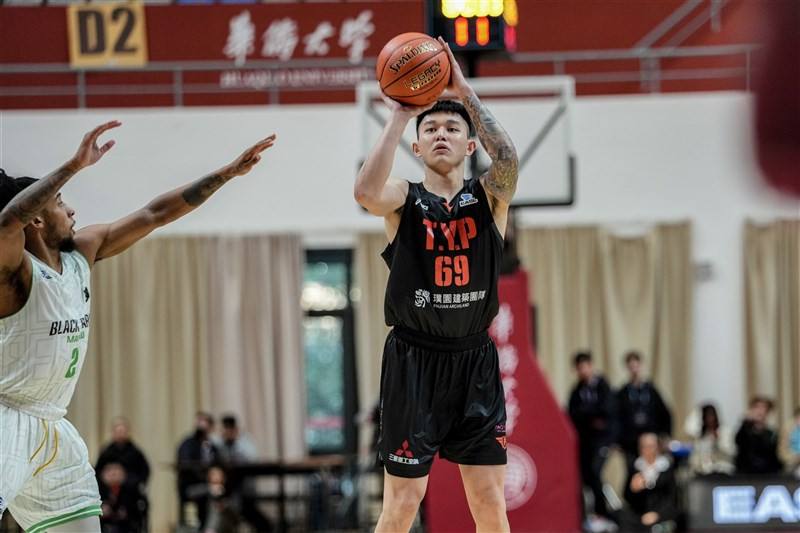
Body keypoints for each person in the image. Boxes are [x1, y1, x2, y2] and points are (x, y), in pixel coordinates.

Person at [0, 121, 276, 533]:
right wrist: (73, 166)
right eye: (60, 202)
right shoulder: (14, 271)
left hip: (53, 425)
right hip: (6, 418)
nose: (72, 210)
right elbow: (7, 222)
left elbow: (154, 213)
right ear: (36, 220)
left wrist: (225, 174)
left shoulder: (83, 251)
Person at [354, 38, 519, 533]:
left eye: (452, 128)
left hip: (475, 362)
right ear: (418, 147)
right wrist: (400, 116)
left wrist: (464, 92)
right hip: (413, 362)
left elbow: (508, 160)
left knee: (489, 501)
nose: (441, 133)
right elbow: (365, 193)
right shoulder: (403, 199)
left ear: (470, 145)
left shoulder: (488, 197)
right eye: (431, 129)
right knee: (403, 502)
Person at [567, 351, 617, 529]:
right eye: (579, 368)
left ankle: (603, 513)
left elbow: (607, 411)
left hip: (603, 440)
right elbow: (573, 414)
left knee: (595, 472)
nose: (583, 371)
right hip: (585, 441)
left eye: (585, 366)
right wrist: (590, 416)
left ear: (591, 365)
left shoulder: (603, 386)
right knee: (585, 477)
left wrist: (588, 414)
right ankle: (589, 515)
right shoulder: (577, 390)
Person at [616, 351, 672, 473]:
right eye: (631, 367)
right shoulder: (622, 393)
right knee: (633, 473)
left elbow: (665, 413)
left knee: (652, 473)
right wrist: (618, 441)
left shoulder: (651, 390)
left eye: (636, 366)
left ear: (641, 366)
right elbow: (617, 418)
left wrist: (665, 435)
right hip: (631, 443)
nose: (634, 370)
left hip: (651, 439)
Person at [218, 414, 273, 532]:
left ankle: (265, 527)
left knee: (248, 510)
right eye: (225, 429)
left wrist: (235, 443)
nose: (227, 433)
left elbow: (252, 458)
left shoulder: (244, 441)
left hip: (245, 486)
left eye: (229, 429)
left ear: (235, 429)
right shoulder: (220, 443)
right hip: (228, 487)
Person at [618, 433, 678, 532]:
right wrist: (633, 489)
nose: (647, 450)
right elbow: (627, 497)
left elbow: (672, 499)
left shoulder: (666, 469)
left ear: (658, 448)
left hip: (660, 514)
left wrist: (657, 514)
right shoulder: (635, 468)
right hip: (639, 515)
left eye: (651, 446)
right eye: (644, 446)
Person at [177, 412, 222, 528]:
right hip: (191, 487)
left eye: (204, 421)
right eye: (199, 421)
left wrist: (216, 476)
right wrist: (206, 477)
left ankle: (211, 528)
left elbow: (220, 465)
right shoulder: (188, 444)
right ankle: (210, 529)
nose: (201, 424)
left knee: (222, 493)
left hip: (210, 486)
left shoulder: (213, 447)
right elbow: (186, 465)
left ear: (211, 427)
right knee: (214, 492)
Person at [95, 417, 150, 490]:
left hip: (130, 490)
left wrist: (127, 479)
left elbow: (144, 471)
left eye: (122, 432)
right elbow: (98, 471)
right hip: (108, 490)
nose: (120, 434)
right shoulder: (106, 452)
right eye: (118, 432)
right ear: (113, 433)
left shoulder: (135, 452)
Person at [735, 396, 783, 475]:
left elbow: (772, 455)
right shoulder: (745, 430)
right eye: (757, 407)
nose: (760, 411)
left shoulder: (771, 434)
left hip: (767, 474)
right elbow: (739, 443)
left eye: (763, 408)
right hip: (745, 473)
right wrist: (746, 422)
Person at [685, 403, 735, 475]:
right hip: (703, 472)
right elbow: (688, 429)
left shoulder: (724, 432)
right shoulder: (702, 435)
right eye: (706, 416)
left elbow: (731, 452)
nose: (710, 419)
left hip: (722, 470)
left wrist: (718, 441)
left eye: (711, 415)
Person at [97, 462, 143, 533]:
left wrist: (127, 513)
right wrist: (100, 511)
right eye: (109, 470)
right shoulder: (97, 491)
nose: (113, 474)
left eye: (117, 469)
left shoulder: (131, 491)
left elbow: (137, 513)